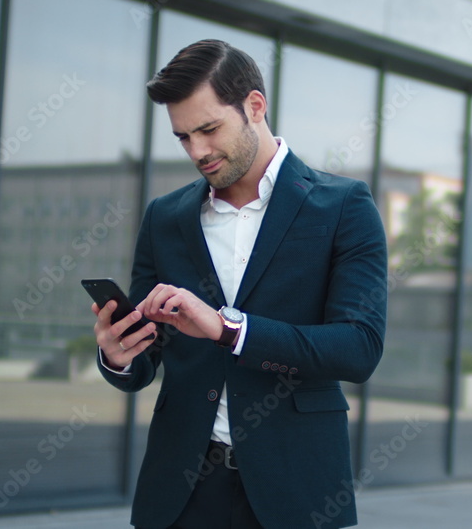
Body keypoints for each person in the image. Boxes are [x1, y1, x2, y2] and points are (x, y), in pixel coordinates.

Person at [92, 39, 387, 529]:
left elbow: (358, 349)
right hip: (181, 494)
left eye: (209, 129)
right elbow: (147, 360)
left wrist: (229, 329)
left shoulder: (344, 207)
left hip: (297, 491)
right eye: (183, 137)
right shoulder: (164, 218)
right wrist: (118, 356)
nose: (198, 151)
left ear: (254, 106)